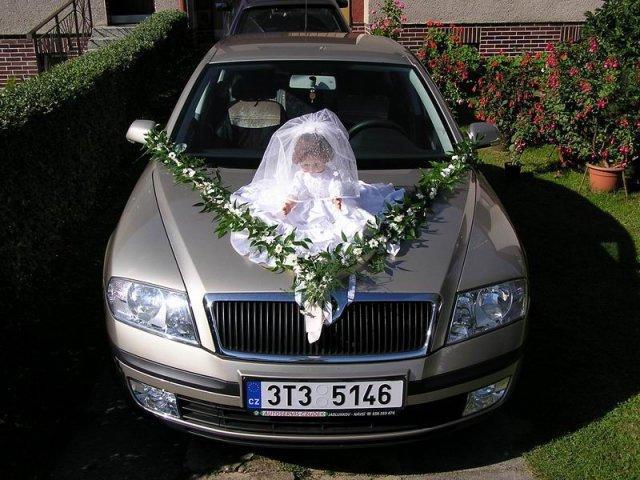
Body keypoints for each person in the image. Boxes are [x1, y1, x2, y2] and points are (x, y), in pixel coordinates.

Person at [230, 109, 403, 264]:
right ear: (299, 162)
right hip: (305, 205)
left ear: (326, 159)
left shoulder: (331, 174)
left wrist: (336, 198)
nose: (311, 168)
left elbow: (335, 185)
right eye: (306, 165)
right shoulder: (301, 176)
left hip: (327, 205)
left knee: (346, 224)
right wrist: (290, 203)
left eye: (316, 164)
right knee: (290, 226)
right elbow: (296, 190)